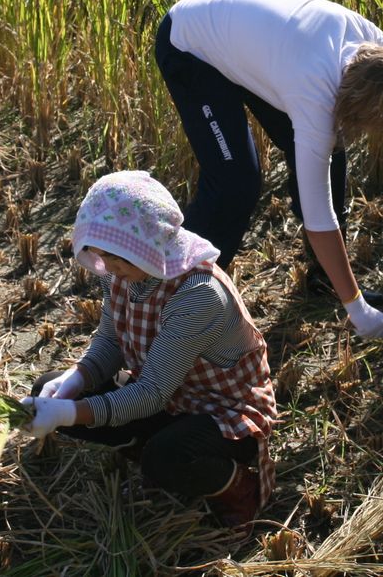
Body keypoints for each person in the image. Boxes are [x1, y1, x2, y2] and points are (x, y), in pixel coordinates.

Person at [154, 0, 383, 339]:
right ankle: (176, 299)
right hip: (191, 40)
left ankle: (326, 278)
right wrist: (357, 310)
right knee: (236, 183)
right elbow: (319, 216)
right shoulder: (314, 93)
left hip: (251, 31)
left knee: (332, 147)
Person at [23, 171, 278, 526]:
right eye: (104, 260)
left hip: (221, 410)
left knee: (166, 457)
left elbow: (152, 393)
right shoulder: (124, 270)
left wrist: (67, 413)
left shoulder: (198, 294)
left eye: (118, 262)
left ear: (145, 247)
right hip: (171, 397)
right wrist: (73, 380)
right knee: (45, 388)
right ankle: (144, 446)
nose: (112, 272)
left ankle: (236, 486)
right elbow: (110, 342)